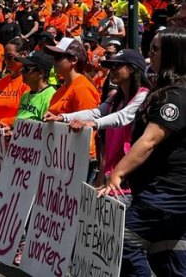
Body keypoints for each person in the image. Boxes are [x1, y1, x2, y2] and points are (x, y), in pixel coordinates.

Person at [98, 28, 186, 276]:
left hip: (167, 193)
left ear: (172, 53)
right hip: (168, 194)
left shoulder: (175, 96)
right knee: (167, 255)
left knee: (121, 241)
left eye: (156, 49)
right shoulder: (172, 91)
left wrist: (118, 173)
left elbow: (150, 140)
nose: (150, 54)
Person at [59, 50, 150, 200]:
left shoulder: (144, 95)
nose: (111, 70)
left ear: (132, 69)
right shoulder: (115, 98)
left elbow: (124, 116)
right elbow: (96, 112)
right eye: (110, 66)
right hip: (112, 175)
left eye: (117, 66)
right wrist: (63, 117)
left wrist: (94, 124)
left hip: (130, 179)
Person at [43, 38, 101, 182]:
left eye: (58, 57)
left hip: (78, 160)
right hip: (61, 158)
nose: (54, 61)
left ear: (73, 60)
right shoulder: (61, 89)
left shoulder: (82, 88)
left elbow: (88, 128)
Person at [14, 51, 56, 121]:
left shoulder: (51, 97)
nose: (21, 71)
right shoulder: (25, 95)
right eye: (22, 67)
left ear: (40, 73)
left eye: (26, 69)